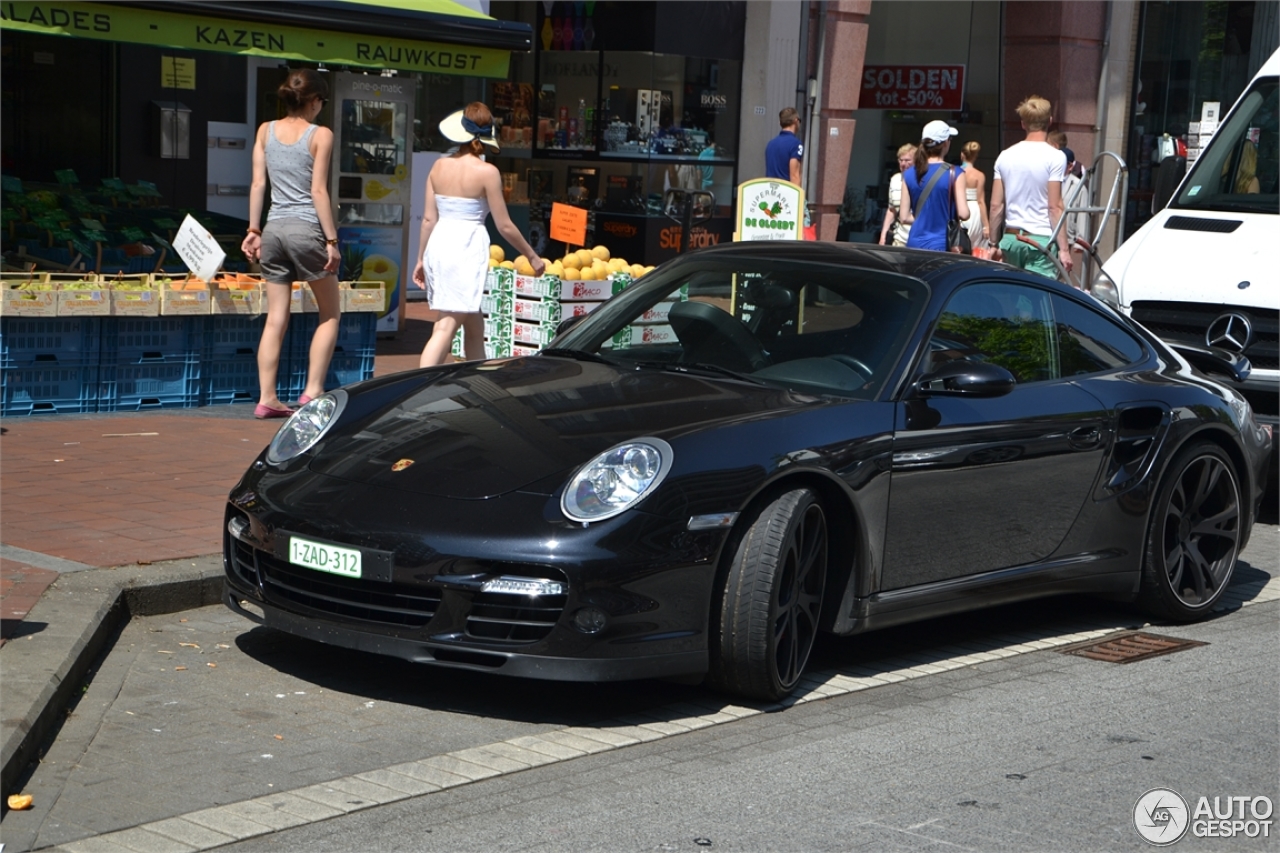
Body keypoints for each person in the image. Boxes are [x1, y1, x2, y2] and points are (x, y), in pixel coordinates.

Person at [241, 68, 341, 419]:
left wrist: (253, 229)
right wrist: (331, 240)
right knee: (330, 313)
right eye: (322, 102)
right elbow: (318, 191)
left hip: (273, 229)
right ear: (314, 101)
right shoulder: (321, 135)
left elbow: (257, 184)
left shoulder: (265, 130)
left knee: (275, 318)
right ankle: (312, 389)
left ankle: (267, 397)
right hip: (306, 230)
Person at [413, 102, 545, 367]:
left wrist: (420, 259)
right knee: (445, 327)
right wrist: (532, 255)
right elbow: (504, 225)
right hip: (465, 248)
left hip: (439, 244)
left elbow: (428, 219)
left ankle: (478, 381)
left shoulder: (438, 167)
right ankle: (416, 390)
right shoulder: (488, 172)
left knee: (474, 322)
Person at [989, 95, 1073, 278]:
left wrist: (993, 244)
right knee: (1036, 301)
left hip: (1011, 239)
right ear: (1049, 121)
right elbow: (1055, 206)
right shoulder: (1056, 157)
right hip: (1040, 241)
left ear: (1023, 124)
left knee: (1014, 294)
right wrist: (1064, 249)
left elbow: (996, 205)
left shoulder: (1005, 156)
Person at [899, 120, 969, 252]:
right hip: (942, 245)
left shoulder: (908, 174)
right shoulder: (955, 173)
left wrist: (925, 217)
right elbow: (964, 214)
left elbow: (903, 217)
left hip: (914, 243)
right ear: (945, 143)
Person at [878, 143, 916, 247]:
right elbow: (891, 210)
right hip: (899, 239)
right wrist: (883, 236)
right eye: (901, 160)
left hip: (919, 239)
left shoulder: (924, 181)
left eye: (907, 160)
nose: (903, 164)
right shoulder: (895, 179)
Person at [958, 141, 991, 250]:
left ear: (962, 154)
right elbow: (981, 201)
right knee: (975, 246)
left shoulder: (955, 172)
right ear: (975, 156)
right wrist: (986, 226)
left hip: (959, 208)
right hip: (974, 211)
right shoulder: (979, 175)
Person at [765, 107, 803, 184]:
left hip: (770, 191)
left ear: (780, 123)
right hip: (786, 191)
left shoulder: (770, 144)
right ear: (796, 120)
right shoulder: (796, 144)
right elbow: (794, 176)